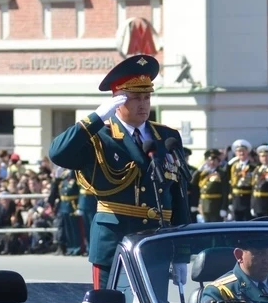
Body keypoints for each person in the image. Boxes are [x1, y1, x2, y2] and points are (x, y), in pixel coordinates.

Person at [47, 53, 189, 290]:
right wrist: (94, 119)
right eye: (135, 98)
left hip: (156, 244)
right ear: (118, 99)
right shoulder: (100, 135)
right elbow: (58, 153)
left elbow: (179, 196)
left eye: (147, 97)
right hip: (114, 244)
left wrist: (182, 253)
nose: (143, 104)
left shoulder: (167, 137)